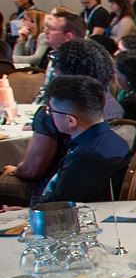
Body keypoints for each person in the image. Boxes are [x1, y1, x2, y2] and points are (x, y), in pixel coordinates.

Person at [17, 75, 129, 204]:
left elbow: (57, 205)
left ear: (70, 120)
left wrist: (26, 211)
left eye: (51, 111)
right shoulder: (117, 140)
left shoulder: (82, 158)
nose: (50, 115)